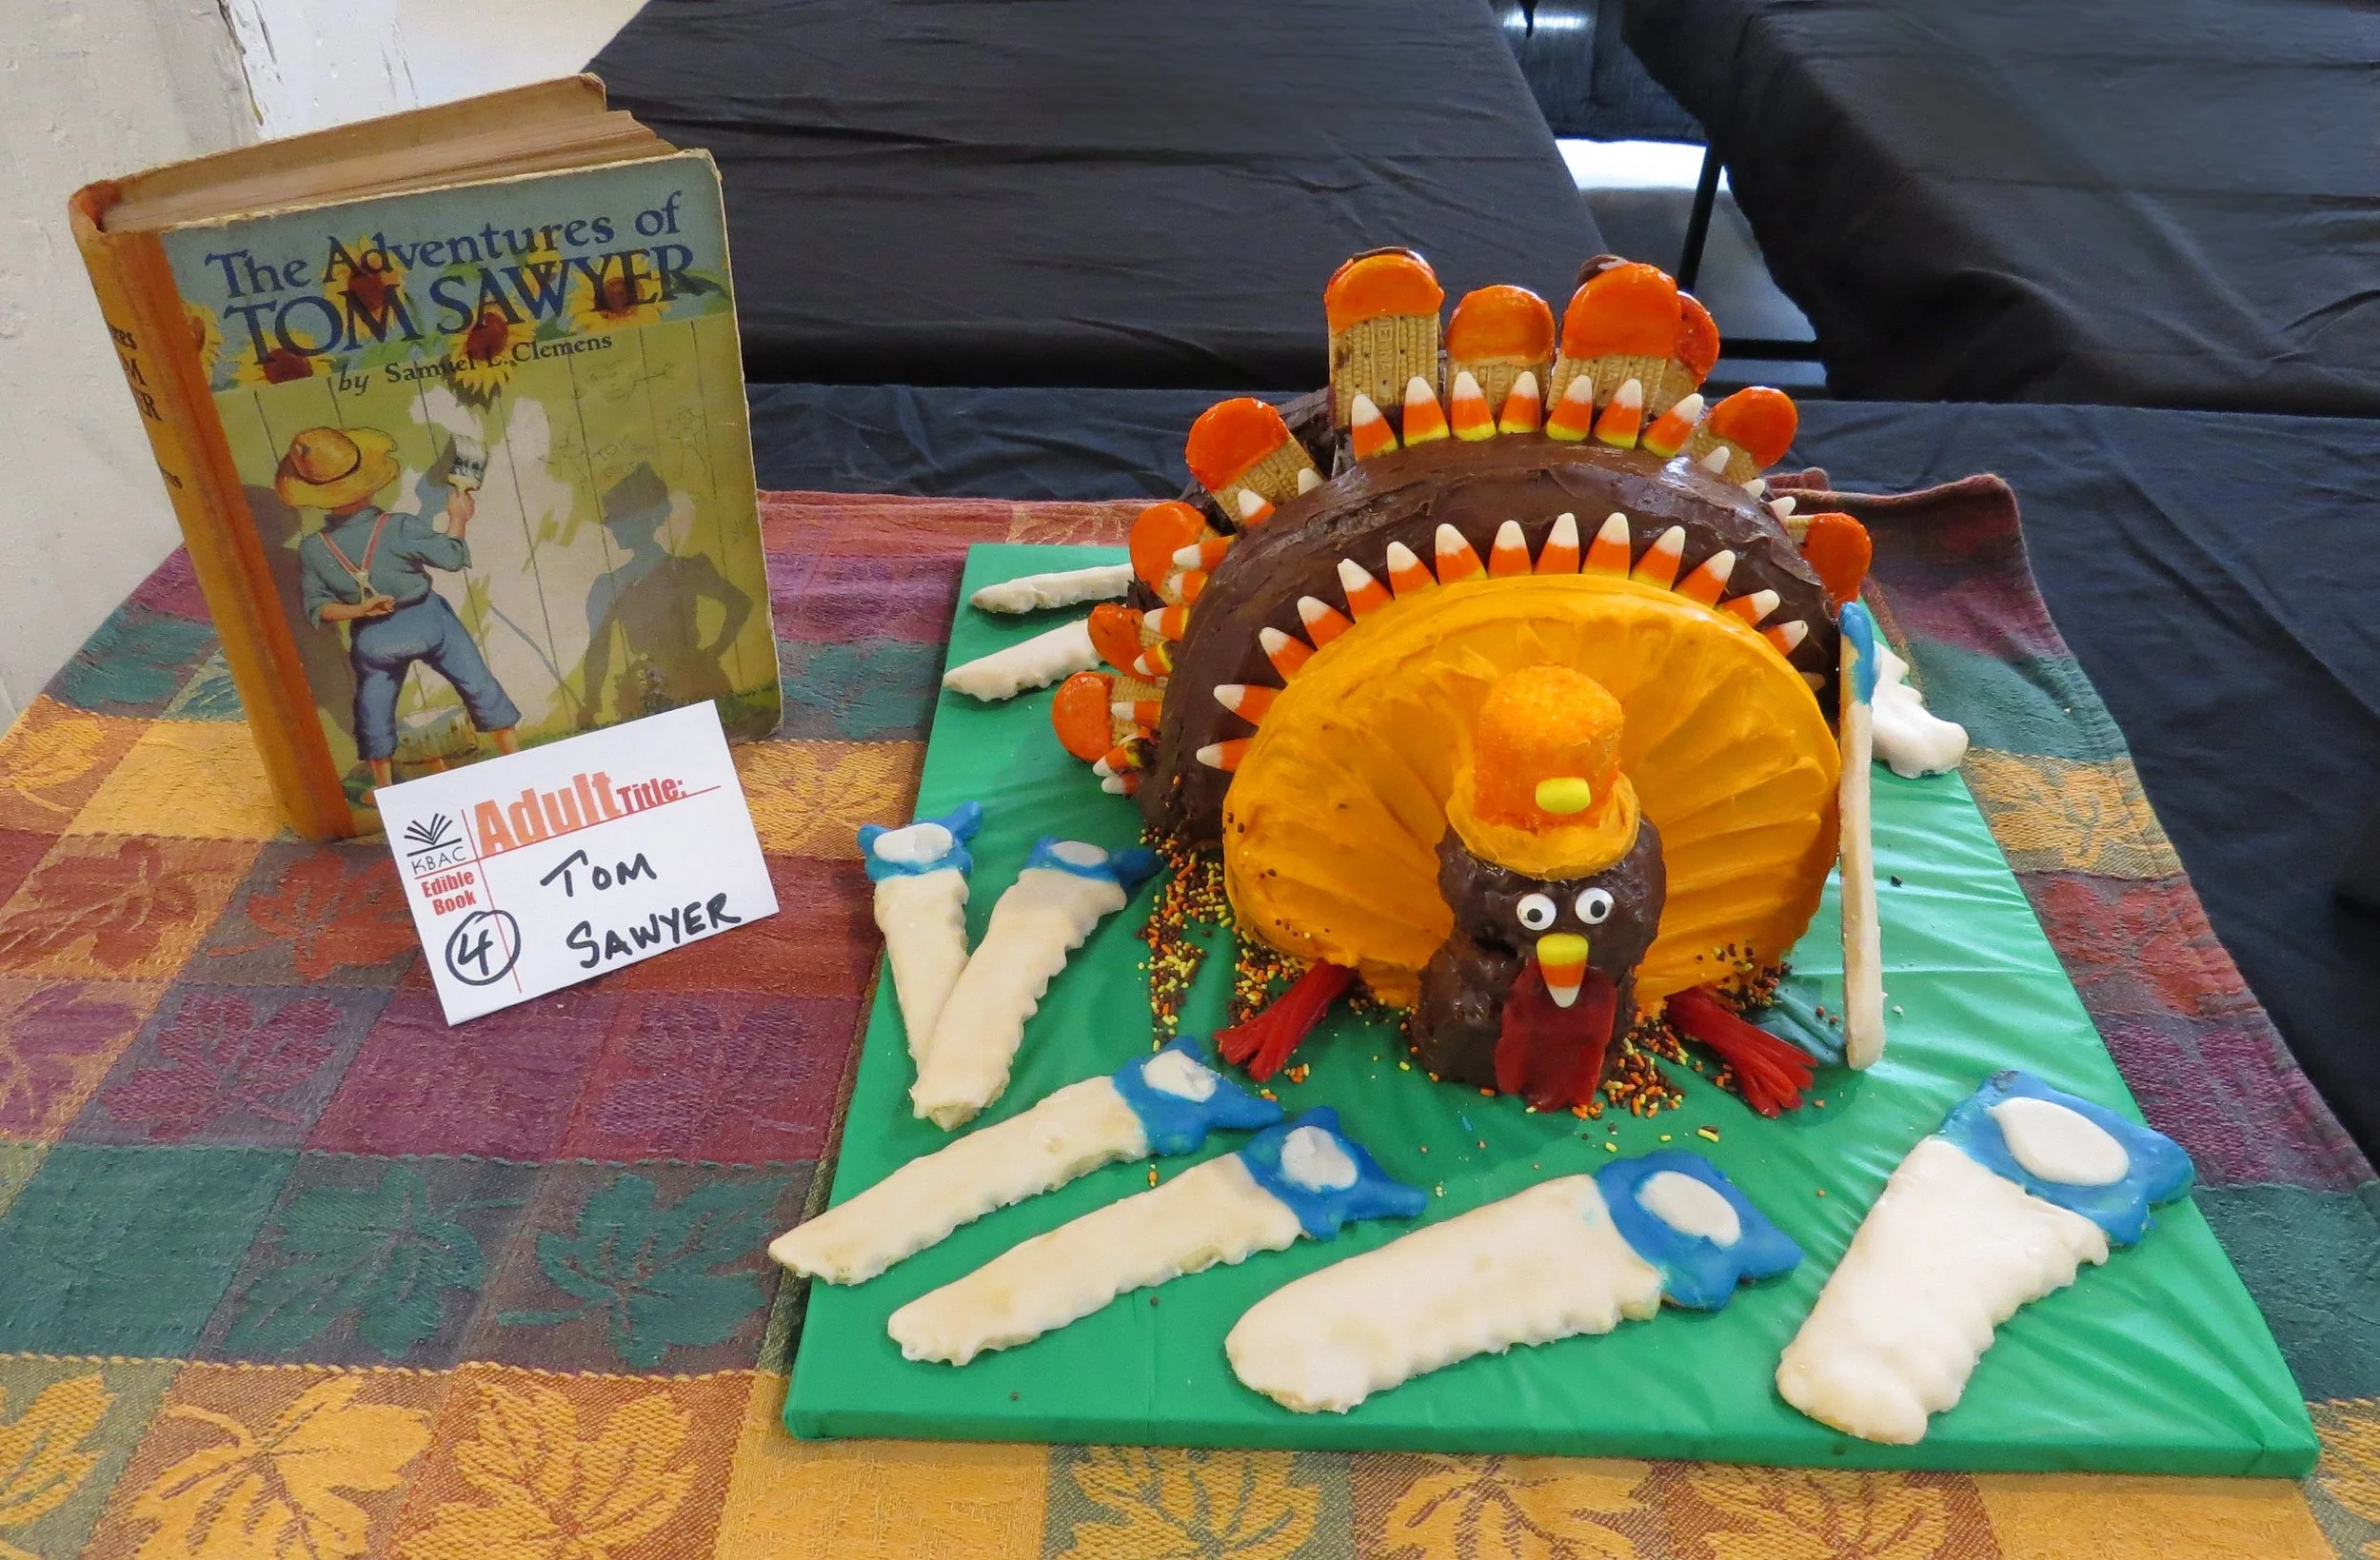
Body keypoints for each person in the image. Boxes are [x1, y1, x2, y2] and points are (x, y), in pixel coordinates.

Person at [278, 425, 522, 793]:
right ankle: (515, 760)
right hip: (430, 621)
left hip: (374, 638)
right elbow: (452, 557)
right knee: (478, 684)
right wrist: (458, 518)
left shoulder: (314, 548)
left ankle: (384, 788)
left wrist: (361, 610)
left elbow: (318, 608)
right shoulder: (398, 527)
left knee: (373, 709)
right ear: (368, 484)